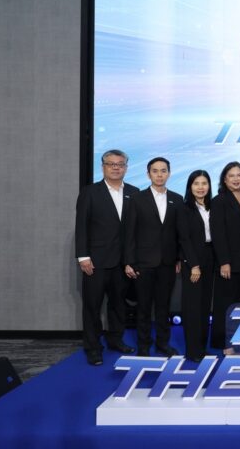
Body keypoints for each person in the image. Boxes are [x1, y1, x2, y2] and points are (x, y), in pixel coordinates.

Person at [74, 149, 138, 366]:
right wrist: (83, 257)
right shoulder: (90, 192)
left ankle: (115, 340)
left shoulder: (134, 192)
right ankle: (93, 348)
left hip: (123, 262)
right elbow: (82, 226)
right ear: (103, 167)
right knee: (92, 307)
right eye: (111, 164)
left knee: (118, 305)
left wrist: (133, 259)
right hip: (96, 261)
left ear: (126, 167)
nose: (116, 167)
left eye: (120, 164)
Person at [124, 157, 191, 357]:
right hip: (143, 262)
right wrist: (128, 261)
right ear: (148, 174)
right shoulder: (137, 198)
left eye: (163, 171)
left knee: (164, 307)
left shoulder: (177, 199)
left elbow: (180, 233)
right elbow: (129, 232)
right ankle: (144, 346)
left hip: (167, 263)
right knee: (144, 308)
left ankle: (163, 344)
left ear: (169, 173)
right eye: (155, 171)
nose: (159, 175)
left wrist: (178, 258)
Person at [210, 162, 240, 355]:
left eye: (239, 175)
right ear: (224, 180)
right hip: (229, 262)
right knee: (225, 304)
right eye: (231, 176)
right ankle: (225, 343)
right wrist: (224, 261)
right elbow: (217, 233)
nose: (236, 179)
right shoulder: (219, 201)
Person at [178, 170, 215, 362]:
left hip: (211, 257)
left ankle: (202, 348)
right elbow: (184, 239)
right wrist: (193, 265)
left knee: (204, 306)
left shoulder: (213, 206)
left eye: (204, 183)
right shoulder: (184, 208)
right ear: (190, 187)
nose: (200, 187)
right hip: (193, 260)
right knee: (192, 307)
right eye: (196, 184)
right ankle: (193, 351)